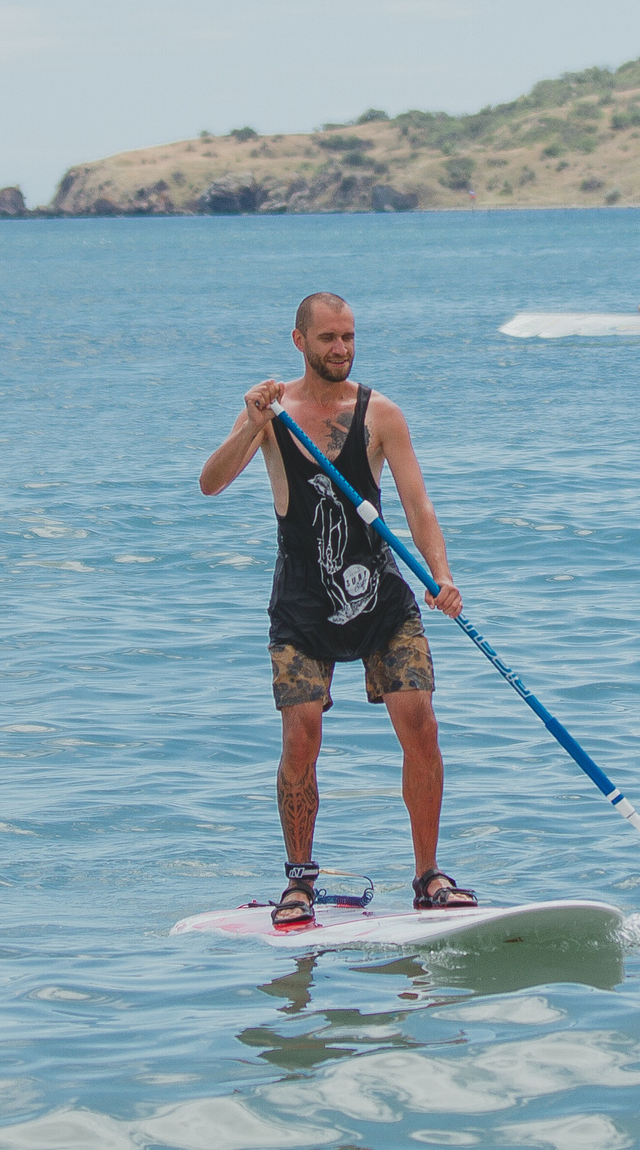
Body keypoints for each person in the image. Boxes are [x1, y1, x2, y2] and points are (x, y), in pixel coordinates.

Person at [198, 292, 476, 928]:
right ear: (299, 342)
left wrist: (442, 575)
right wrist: (248, 423)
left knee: (421, 721)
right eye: (328, 338)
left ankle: (428, 875)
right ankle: (300, 882)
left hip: (382, 599)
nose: (342, 349)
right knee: (302, 737)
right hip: (302, 607)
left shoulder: (381, 414)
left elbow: (417, 505)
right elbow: (210, 483)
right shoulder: (272, 415)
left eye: (349, 337)